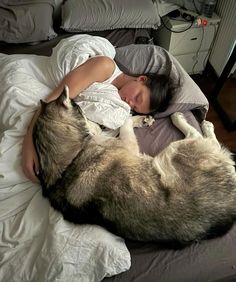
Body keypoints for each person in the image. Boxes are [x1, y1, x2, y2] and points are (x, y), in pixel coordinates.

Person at [22, 55, 174, 183]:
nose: (130, 103)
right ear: (141, 79)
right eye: (137, 97)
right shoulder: (105, 66)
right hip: (35, 83)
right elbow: (54, 100)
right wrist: (28, 145)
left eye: (135, 108)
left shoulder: (118, 104)